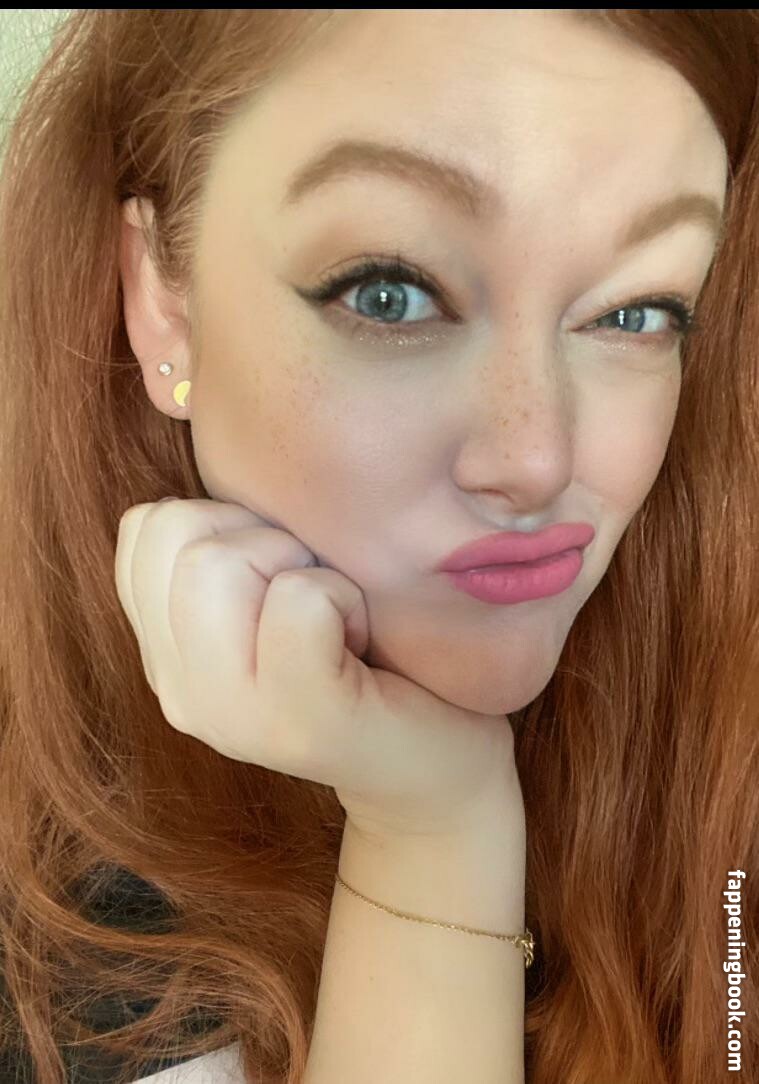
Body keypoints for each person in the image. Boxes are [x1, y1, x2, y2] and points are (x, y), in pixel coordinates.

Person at [0, 9, 756, 1084]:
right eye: (390, 292)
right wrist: (434, 827)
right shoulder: (54, 936)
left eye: (637, 312)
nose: (534, 459)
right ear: (164, 302)